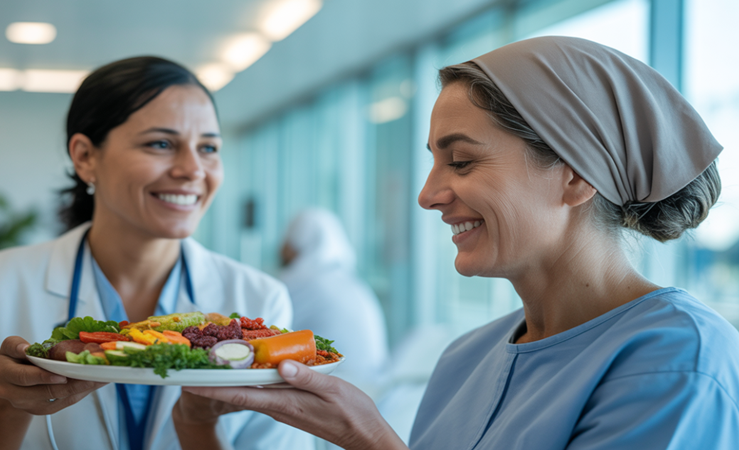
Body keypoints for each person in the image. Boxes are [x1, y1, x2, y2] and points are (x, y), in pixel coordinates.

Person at [182, 36, 739, 449]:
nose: (428, 195)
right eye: (433, 162)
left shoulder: (679, 359)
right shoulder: (465, 358)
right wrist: (196, 427)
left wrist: (371, 440)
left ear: (574, 175)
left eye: (463, 161)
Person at [0, 57, 314, 450]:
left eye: (208, 147)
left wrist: (198, 427)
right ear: (85, 157)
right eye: (161, 143)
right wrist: (6, 402)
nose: (194, 169)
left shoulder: (260, 299)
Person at [279, 208, 389, 391]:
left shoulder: (300, 279)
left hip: (339, 386)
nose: (281, 247)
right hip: (373, 387)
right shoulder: (349, 280)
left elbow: (266, 331)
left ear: (296, 243)